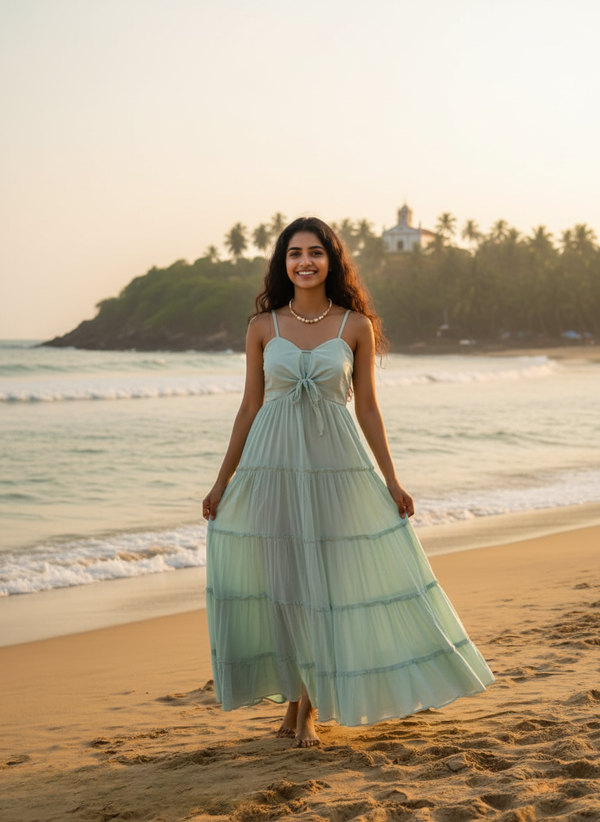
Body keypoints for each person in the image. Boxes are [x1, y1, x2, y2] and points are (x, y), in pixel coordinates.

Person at [202, 217, 494, 748]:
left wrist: (392, 480)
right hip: (272, 470)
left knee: (326, 590)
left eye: (316, 252)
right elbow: (248, 408)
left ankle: (309, 710)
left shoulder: (354, 325)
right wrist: (222, 482)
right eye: (294, 253)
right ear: (283, 262)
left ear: (332, 261)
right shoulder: (261, 326)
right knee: (286, 590)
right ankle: (292, 701)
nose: (305, 262)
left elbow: (369, 410)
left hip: (336, 470)